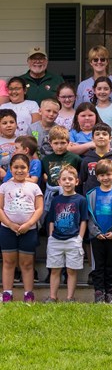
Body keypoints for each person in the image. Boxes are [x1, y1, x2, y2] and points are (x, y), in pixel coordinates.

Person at [0, 153, 44, 302]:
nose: (19, 170)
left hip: (28, 230)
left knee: (26, 263)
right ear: (10, 169)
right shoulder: (4, 186)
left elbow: (39, 209)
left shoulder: (34, 187)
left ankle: (28, 294)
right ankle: (7, 293)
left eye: (23, 167)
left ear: (28, 169)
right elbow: (0, 208)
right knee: (8, 262)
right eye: (16, 167)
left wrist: (28, 224)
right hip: (7, 229)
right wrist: (10, 224)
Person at [85, 158, 112, 303]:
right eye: (102, 175)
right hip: (96, 237)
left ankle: (109, 293)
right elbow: (89, 216)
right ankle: (99, 293)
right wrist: (96, 232)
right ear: (97, 177)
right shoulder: (91, 194)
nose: (105, 178)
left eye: (108, 175)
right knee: (98, 266)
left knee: (110, 266)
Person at [44, 165, 88, 303]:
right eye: (64, 179)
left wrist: (79, 238)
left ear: (77, 181)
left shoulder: (81, 200)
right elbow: (51, 219)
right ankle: (53, 297)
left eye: (70, 179)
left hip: (73, 239)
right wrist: (51, 237)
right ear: (59, 182)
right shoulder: (56, 200)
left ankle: (70, 298)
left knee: (71, 270)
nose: (67, 182)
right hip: (56, 239)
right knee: (55, 270)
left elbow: (83, 220)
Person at [41, 126, 82, 214]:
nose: (59, 146)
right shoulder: (45, 160)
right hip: (52, 197)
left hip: (70, 196)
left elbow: (80, 176)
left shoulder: (75, 158)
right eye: (56, 143)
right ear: (50, 143)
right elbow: (43, 177)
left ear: (68, 142)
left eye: (63, 143)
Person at [78, 122, 112, 195]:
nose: (101, 136)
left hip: (111, 198)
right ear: (92, 138)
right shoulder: (86, 160)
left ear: (110, 138)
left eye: (104, 134)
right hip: (91, 199)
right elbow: (82, 180)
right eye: (97, 134)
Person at [92, 77, 112, 152]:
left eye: (106, 89)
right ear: (94, 90)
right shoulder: (92, 109)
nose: (102, 92)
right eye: (99, 89)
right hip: (95, 151)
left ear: (111, 90)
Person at [0, 109, 18, 178]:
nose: (9, 125)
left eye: (12, 122)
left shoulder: (22, 140)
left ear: (16, 124)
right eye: (4, 123)